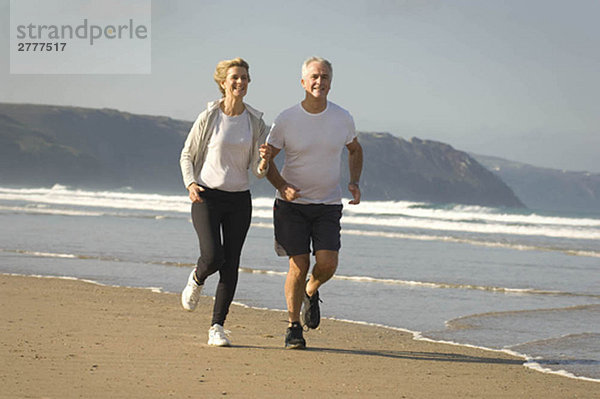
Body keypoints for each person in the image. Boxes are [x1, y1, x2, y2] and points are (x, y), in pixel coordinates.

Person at [266, 56, 363, 349]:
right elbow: (266, 159)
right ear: (303, 82)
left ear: (330, 83)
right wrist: (282, 186)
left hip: (328, 205)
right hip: (292, 206)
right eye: (314, 77)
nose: (319, 82)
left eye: (324, 77)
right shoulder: (286, 119)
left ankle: (312, 288)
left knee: (327, 263)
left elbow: (355, 150)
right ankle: (294, 327)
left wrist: (355, 182)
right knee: (299, 263)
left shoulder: (342, 118)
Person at [179, 57, 271, 346]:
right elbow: (186, 154)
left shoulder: (255, 122)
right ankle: (197, 277)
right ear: (223, 82)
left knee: (231, 264)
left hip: (239, 200)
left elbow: (257, 171)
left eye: (244, 77)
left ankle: (217, 326)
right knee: (213, 257)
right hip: (206, 196)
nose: (240, 82)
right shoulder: (209, 116)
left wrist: (265, 160)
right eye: (235, 77)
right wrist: (190, 183)